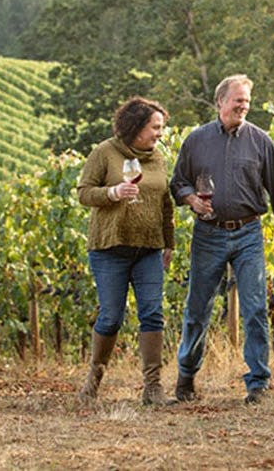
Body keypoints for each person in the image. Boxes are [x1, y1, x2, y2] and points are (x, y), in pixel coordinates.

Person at [171, 74, 274, 405]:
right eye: (238, 100)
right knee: (198, 308)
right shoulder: (196, 141)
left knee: (255, 307)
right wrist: (191, 200)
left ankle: (257, 383)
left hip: (248, 233)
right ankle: (186, 379)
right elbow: (178, 183)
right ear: (220, 102)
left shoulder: (261, 141)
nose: (243, 106)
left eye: (247, 101)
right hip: (208, 233)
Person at [76, 96, 176, 406]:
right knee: (111, 317)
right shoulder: (105, 152)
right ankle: (93, 382)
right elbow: (84, 193)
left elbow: (165, 203)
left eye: (161, 127)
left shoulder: (157, 158)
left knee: (152, 313)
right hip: (110, 248)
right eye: (155, 127)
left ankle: (153, 388)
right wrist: (113, 192)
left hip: (148, 248)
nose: (160, 133)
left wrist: (169, 243)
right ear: (136, 126)